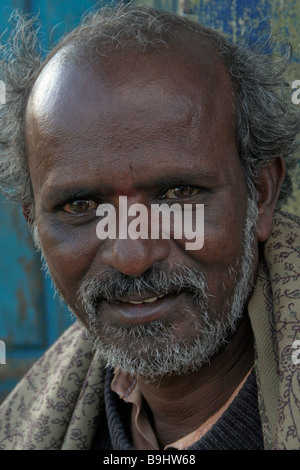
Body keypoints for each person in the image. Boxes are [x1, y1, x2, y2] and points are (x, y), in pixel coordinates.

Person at [0, 3, 299, 451]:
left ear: (260, 194)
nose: (133, 256)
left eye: (178, 194)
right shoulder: (24, 424)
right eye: (81, 205)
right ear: (34, 224)